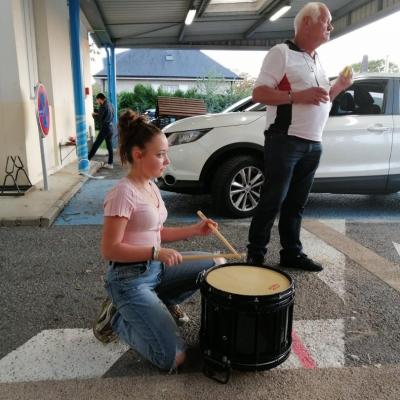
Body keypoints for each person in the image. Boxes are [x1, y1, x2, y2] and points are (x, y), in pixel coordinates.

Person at [92, 109, 224, 371]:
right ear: (138, 154)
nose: (167, 160)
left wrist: (195, 230)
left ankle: (162, 301)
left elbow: (156, 232)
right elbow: (109, 249)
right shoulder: (122, 194)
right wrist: (155, 252)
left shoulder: (151, 186)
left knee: (217, 264)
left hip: (156, 269)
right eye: (160, 154)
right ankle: (118, 320)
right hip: (129, 280)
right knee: (174, 358)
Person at [246, 2, 353, 271]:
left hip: (313, 143)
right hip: (285, 139)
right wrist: (297, 96)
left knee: (296, 204)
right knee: (272, 200)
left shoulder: (316, 58)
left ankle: (291, 253)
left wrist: (339, 86)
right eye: (326, 21)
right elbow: (259, 93)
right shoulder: (281, 53)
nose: (331, 27)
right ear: (307, 23)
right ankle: (255, 255)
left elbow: (322, 100)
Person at [89, 93, 115, 169]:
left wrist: (94, 115)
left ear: (100, 99)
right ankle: (110, 164)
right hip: (111, 127)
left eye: (97, 100)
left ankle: (87, 159)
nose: (96, 101)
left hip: (105, 128)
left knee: (96, 144)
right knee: (109, 146)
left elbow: (100, 118)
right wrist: (98, 114)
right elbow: (110, 115)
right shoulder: (110, 104)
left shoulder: (103, 106)